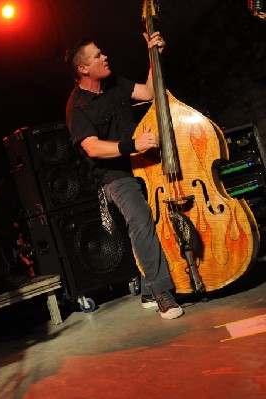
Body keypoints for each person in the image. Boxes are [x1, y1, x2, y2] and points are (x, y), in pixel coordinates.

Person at [64, 31, 184, 320]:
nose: (105, 57)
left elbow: (149, 92)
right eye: (98, 56)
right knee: (141, 219)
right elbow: (92, 147)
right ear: (83, 68)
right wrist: (133, 145)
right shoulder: (77, 107)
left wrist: (153, 55)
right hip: (113, 175)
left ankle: (146, 288)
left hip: (143, 163)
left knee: (160, 218)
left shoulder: (114, 83)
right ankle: (161, 292)